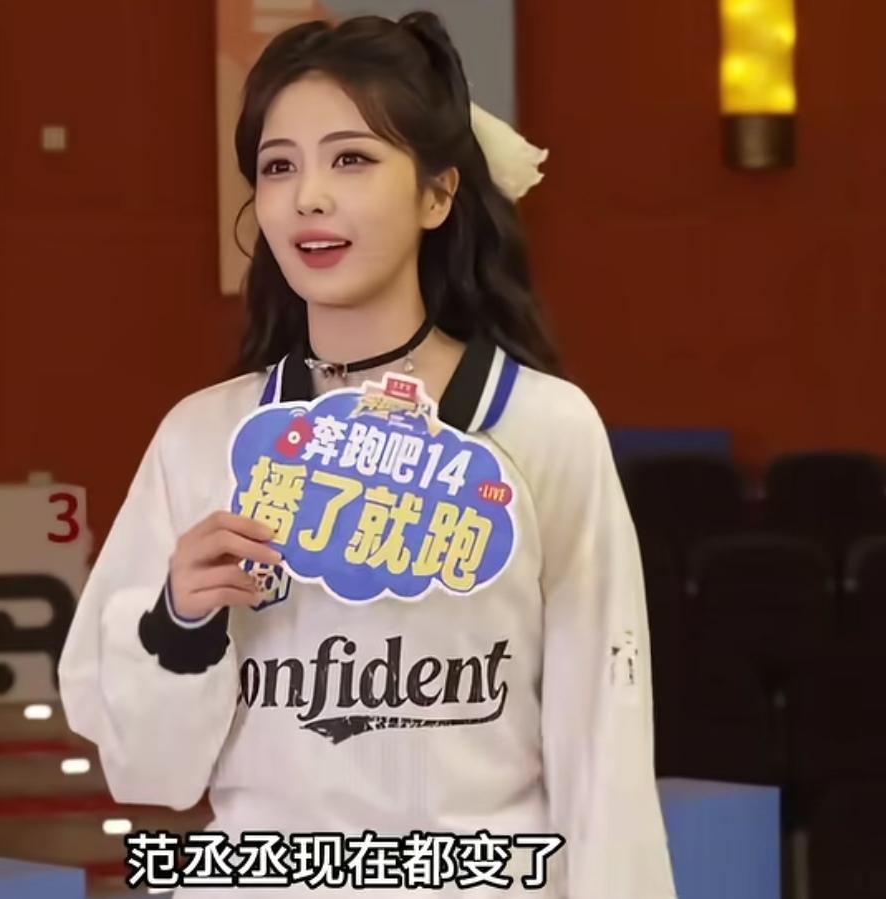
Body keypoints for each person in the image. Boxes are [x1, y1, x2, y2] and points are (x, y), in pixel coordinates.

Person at [59, 11, 676, 898]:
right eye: (279, 167)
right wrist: (179, 620)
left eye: (350, 158)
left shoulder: (543, 428)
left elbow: (603, 741)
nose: (308, 197)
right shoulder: (202, 437)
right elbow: (149, 773)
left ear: (437, 194)